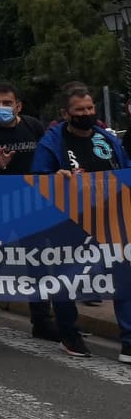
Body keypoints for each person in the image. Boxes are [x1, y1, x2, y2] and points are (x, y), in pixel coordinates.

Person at [31, 85, 131, 361]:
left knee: (124, 275)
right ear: (66, 114)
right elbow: (38, 178)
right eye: (80, 110)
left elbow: (125, 169)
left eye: (90, 108)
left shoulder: (106, 138)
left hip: (111, 218)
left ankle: (129, 340)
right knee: (68, 277)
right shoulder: (52, 142)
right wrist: (56, 177)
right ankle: (69, 333)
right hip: (69, 219)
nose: (87, 114)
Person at [0, 83, 55, 339]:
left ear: (18, 106)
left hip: (32, 204)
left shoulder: (33, 126)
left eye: (6, 103)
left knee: (38, 260)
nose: (1, 108)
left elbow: (47, 156)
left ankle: (41, 319)